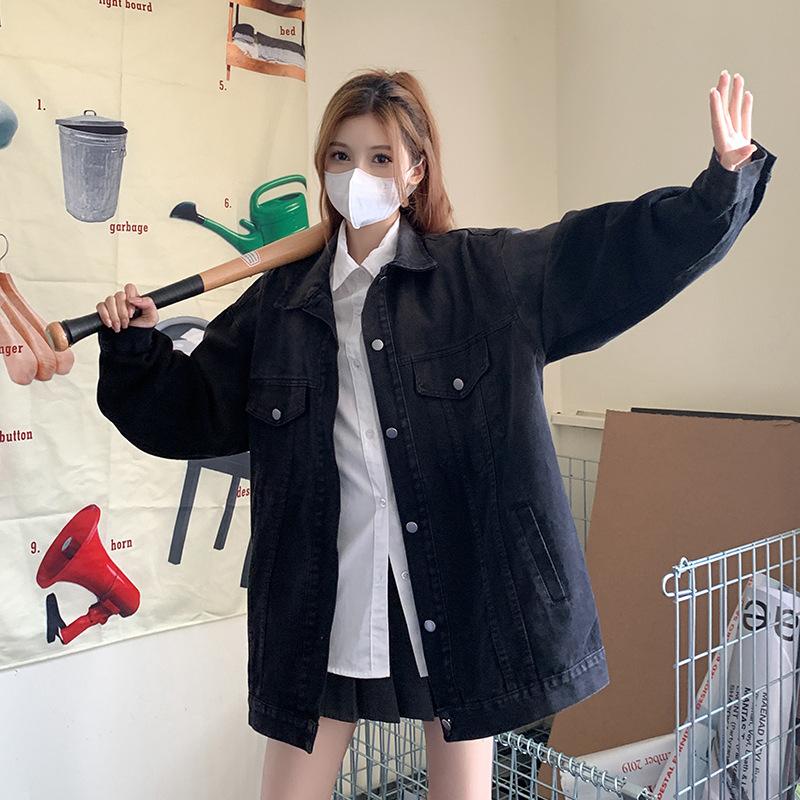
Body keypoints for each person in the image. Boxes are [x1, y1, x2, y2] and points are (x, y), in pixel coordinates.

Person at [95, 68, 776, 800]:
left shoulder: (486, 277)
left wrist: (722, 184)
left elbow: (612, 253)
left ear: (415, 171)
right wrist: (135, 348)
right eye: (341, 156)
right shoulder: (279, 306)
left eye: (380, 157)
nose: (357, 175)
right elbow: (190, 410)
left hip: (459, 588)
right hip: (324, 595)